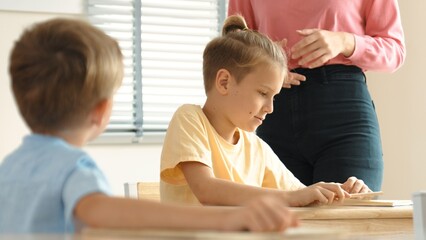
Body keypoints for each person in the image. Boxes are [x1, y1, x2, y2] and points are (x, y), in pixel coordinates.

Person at [0, 18, 299, 233]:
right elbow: (100, 210)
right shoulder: (73, 169)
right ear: (103, 110)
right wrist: (226, 220)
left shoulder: (9, 167)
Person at [160, 15, 371, 207]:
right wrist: (293, 197)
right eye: (263, 93)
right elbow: (206, 189)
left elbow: (303, 195)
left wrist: (343, 192)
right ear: (224, 82)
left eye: (274, 97)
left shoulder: (256, 147)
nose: (270, 108)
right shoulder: (190, 118)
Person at [228, 0, 406, 191]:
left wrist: (345, 42)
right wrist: (264, 63)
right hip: (274, 112)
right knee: (281, 219)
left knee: (349, 215)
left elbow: (394, 50)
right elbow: (233, 43)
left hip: (344, 114)